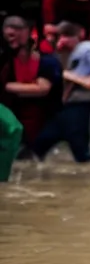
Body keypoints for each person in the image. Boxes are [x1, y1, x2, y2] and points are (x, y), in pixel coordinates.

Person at [32, 21, 90, 163]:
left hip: (79, 104)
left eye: (64, 36)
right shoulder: (64, 54)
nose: (59, 40)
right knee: (41, 143)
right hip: (68, 106)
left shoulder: (86, 48)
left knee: (78, 149)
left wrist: (70, 76)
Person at [0, 16, 62, 158]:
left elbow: (42, 89)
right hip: (16, 124)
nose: (10, 40)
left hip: (42, 122)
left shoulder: (47, 61)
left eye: (14, 35)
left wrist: (6, 87)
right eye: (7, 36)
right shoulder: (6, 62)